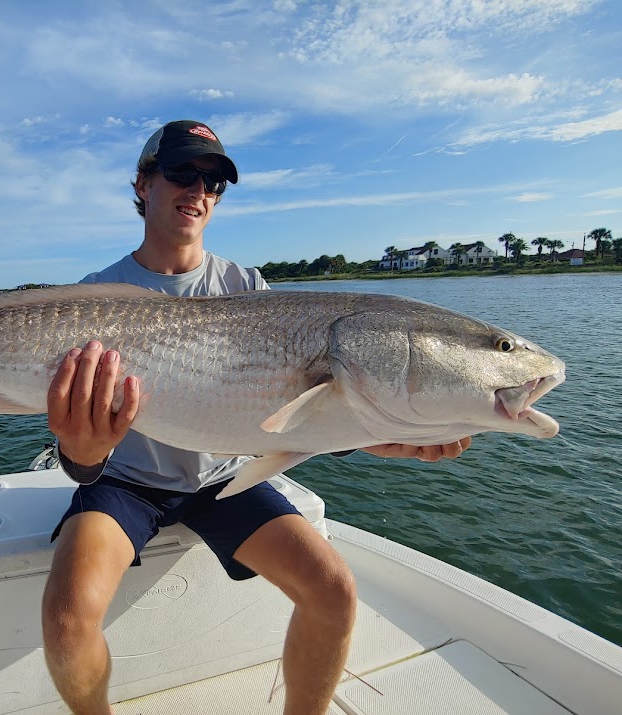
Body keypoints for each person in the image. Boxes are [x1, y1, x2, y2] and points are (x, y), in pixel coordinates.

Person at [41, 120, 471, 715]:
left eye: (215, 180)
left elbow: (286, 413)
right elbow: (81, 461)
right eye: (182, 172)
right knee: (67, 620)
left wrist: (375, 437)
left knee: (333, 590)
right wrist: (83, 453)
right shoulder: (90, 298)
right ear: (141, 184)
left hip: (225, 479)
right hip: (125, 482)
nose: (200, 189)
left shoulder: (251, 289)